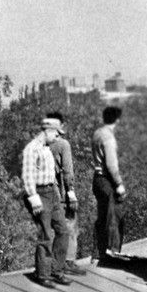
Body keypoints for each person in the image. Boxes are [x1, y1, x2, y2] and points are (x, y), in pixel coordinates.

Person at [21, 116, 72, 289]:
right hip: (40, 193)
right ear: (48, 131)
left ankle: (56, 270)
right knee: (46, 235)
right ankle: (42, 274)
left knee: (63, 231)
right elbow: (27, 176)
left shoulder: (46, 148)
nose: (57, 138)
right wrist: (33, 197)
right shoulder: (32, 149)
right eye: (56, 134)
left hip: (52, 192)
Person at [46, 111, 86, 277]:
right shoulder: (63, 145)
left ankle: (53, 262)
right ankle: (68, 261)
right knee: (69, 225)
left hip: (45, 191)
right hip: (61, 192)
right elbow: (67, 171)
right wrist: (71, 192)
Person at [92, 106, 127, 259]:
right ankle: (112, 252)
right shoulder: (109, 137)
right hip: (107, 180)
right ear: (117, 120)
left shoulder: (97, 133)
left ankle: (99, 252)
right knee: (114, 218)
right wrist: (119, 184)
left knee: (102, 216)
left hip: (97, 179)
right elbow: (111, 165)